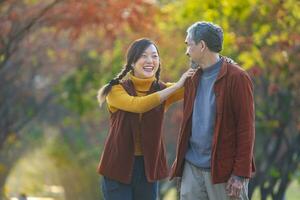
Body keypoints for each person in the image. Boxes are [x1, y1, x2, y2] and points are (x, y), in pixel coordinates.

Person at [97, 38, 195, 200]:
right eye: (144, 56)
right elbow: (138, 105)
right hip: (116, 168)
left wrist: (214, 59)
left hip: (148, 169)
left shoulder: (163, 90)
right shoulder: (116, 90)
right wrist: (176, 86)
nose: (150, 61)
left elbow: (193, 85)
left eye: (154, 56)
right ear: (132, 62)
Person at [170, 21, 256, 200]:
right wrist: (180, 167)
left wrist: (240, 173)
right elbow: (187, 126)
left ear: (202, 46)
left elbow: (246, 128)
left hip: (224, 173)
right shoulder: (192, 78)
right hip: (191, 169)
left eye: (189, 45)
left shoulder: (237, 78)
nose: (186, 51)